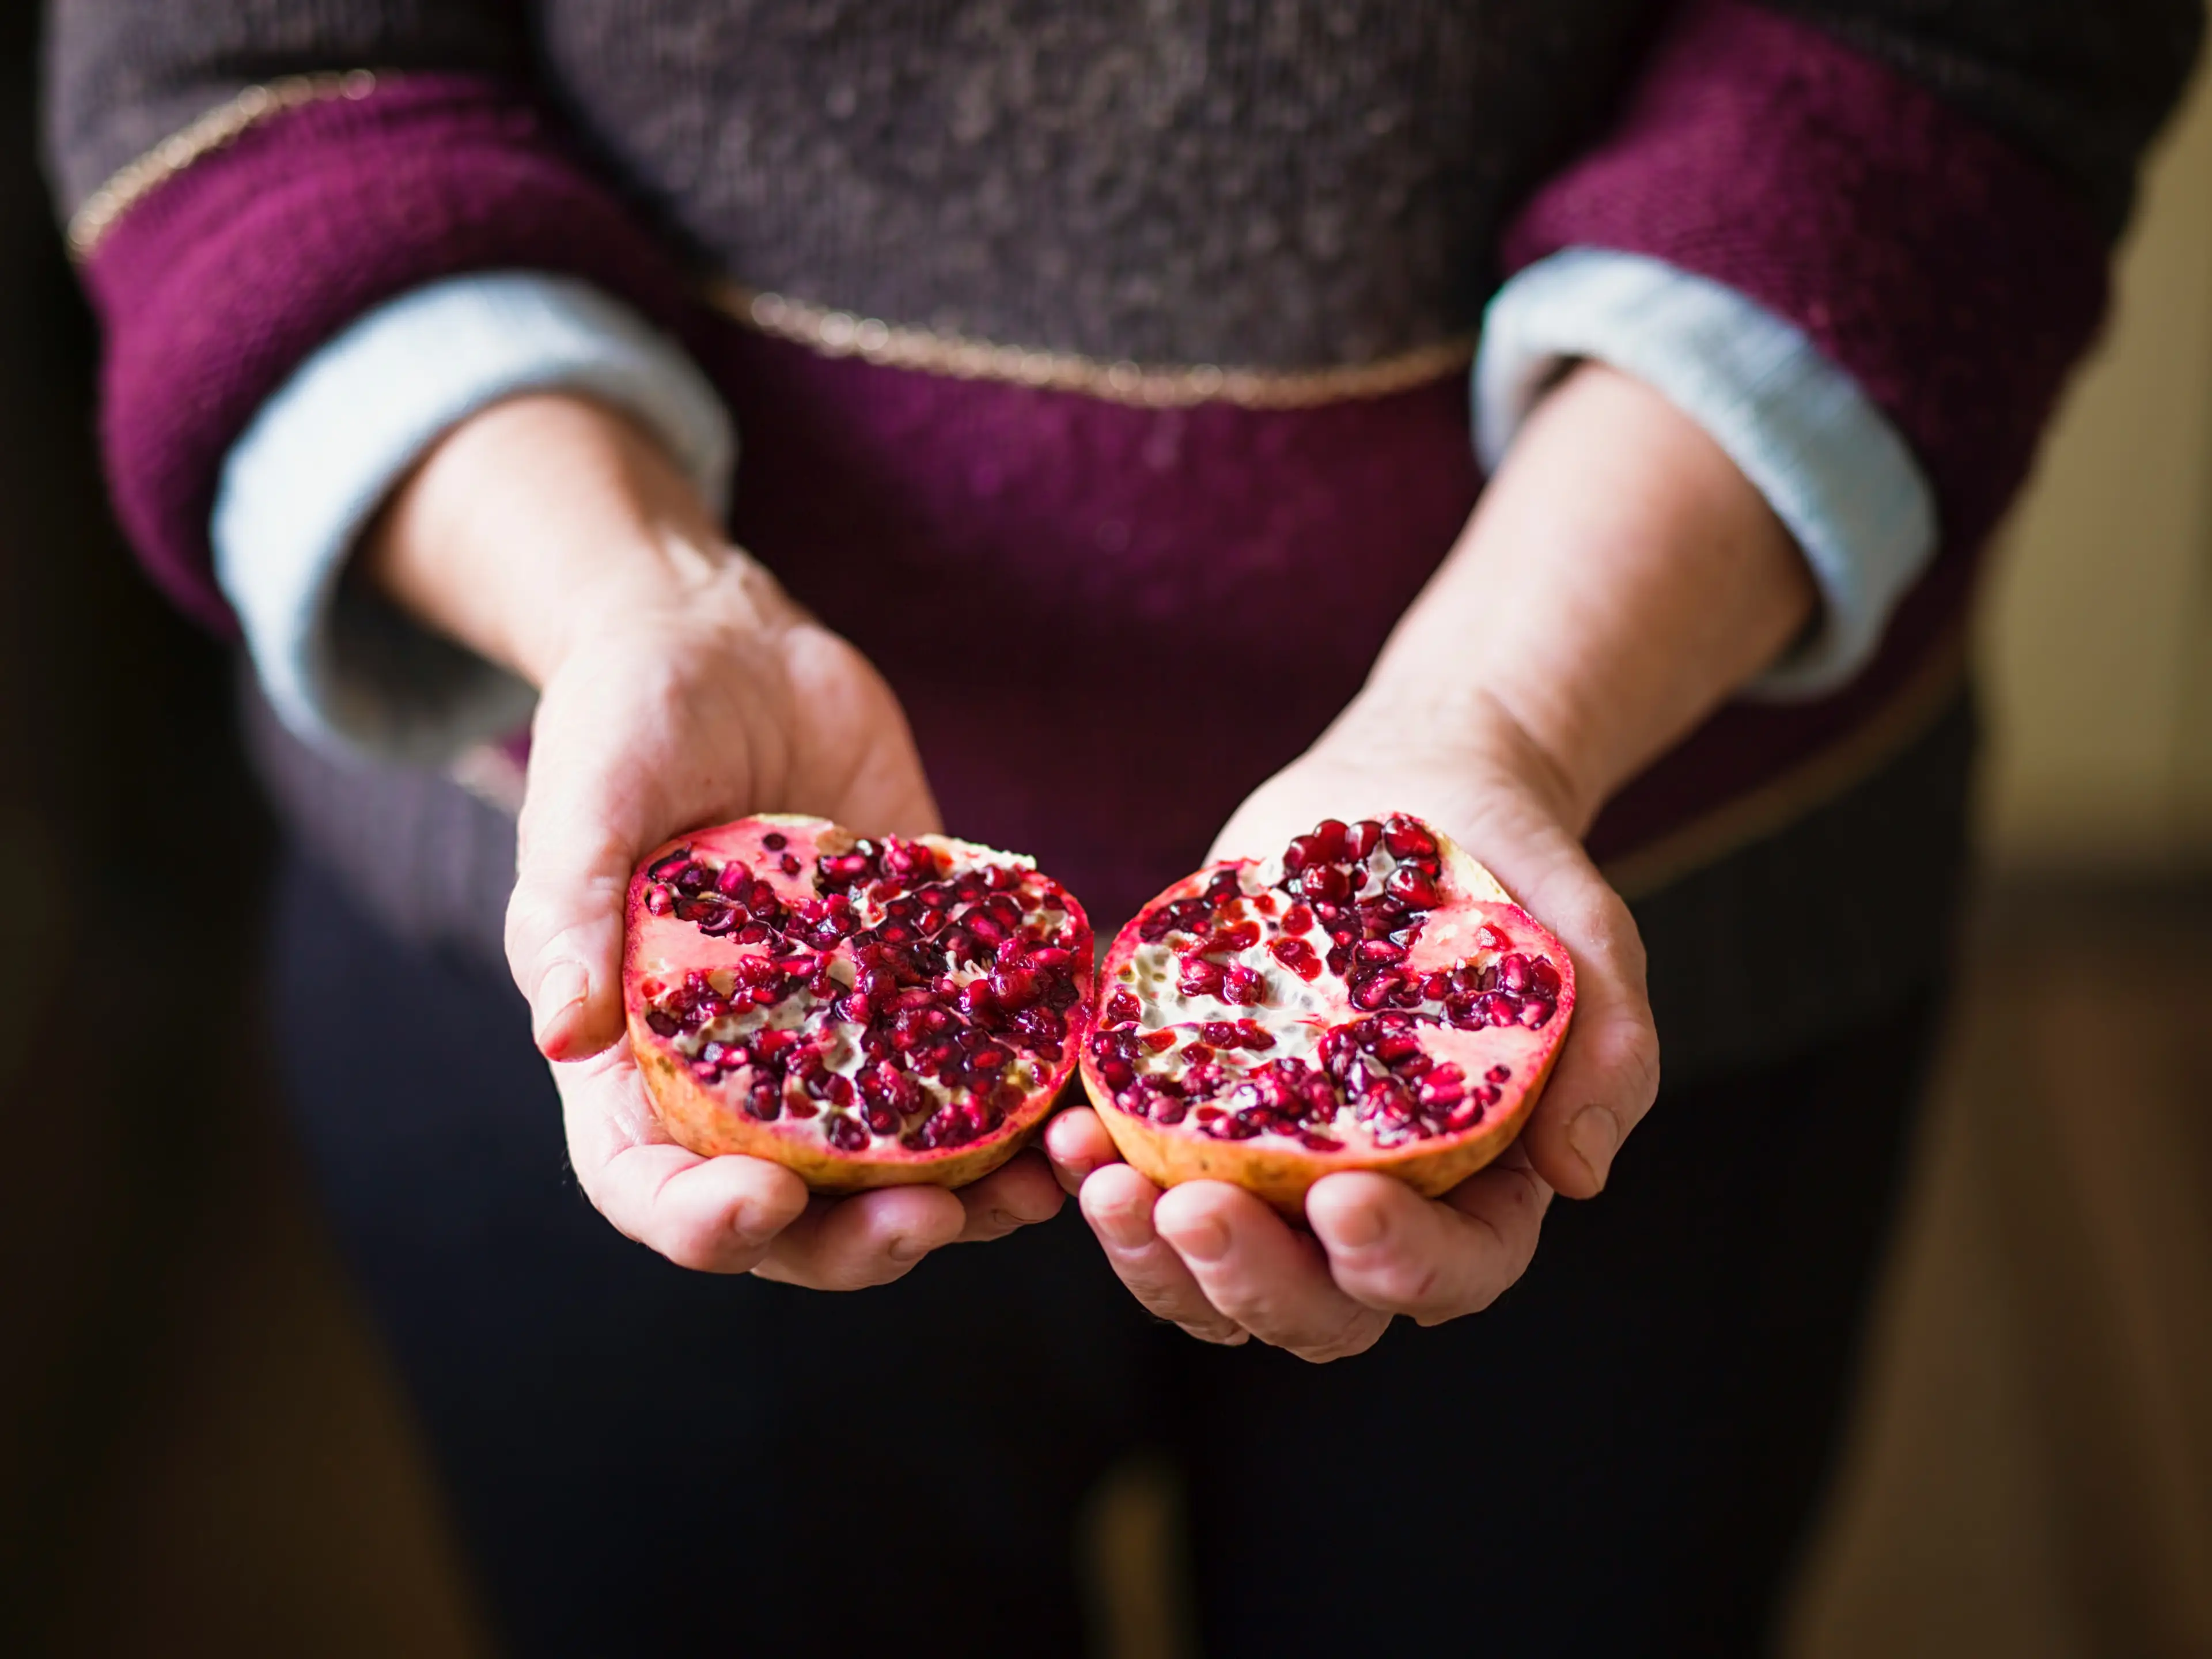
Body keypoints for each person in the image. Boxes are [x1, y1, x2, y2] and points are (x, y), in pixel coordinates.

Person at [47, 3, 2200, 1652]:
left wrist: (1507, 715)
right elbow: (245, 73)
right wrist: (632, 599)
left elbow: (1955, 58)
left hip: (1662, 865)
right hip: (571, 854)